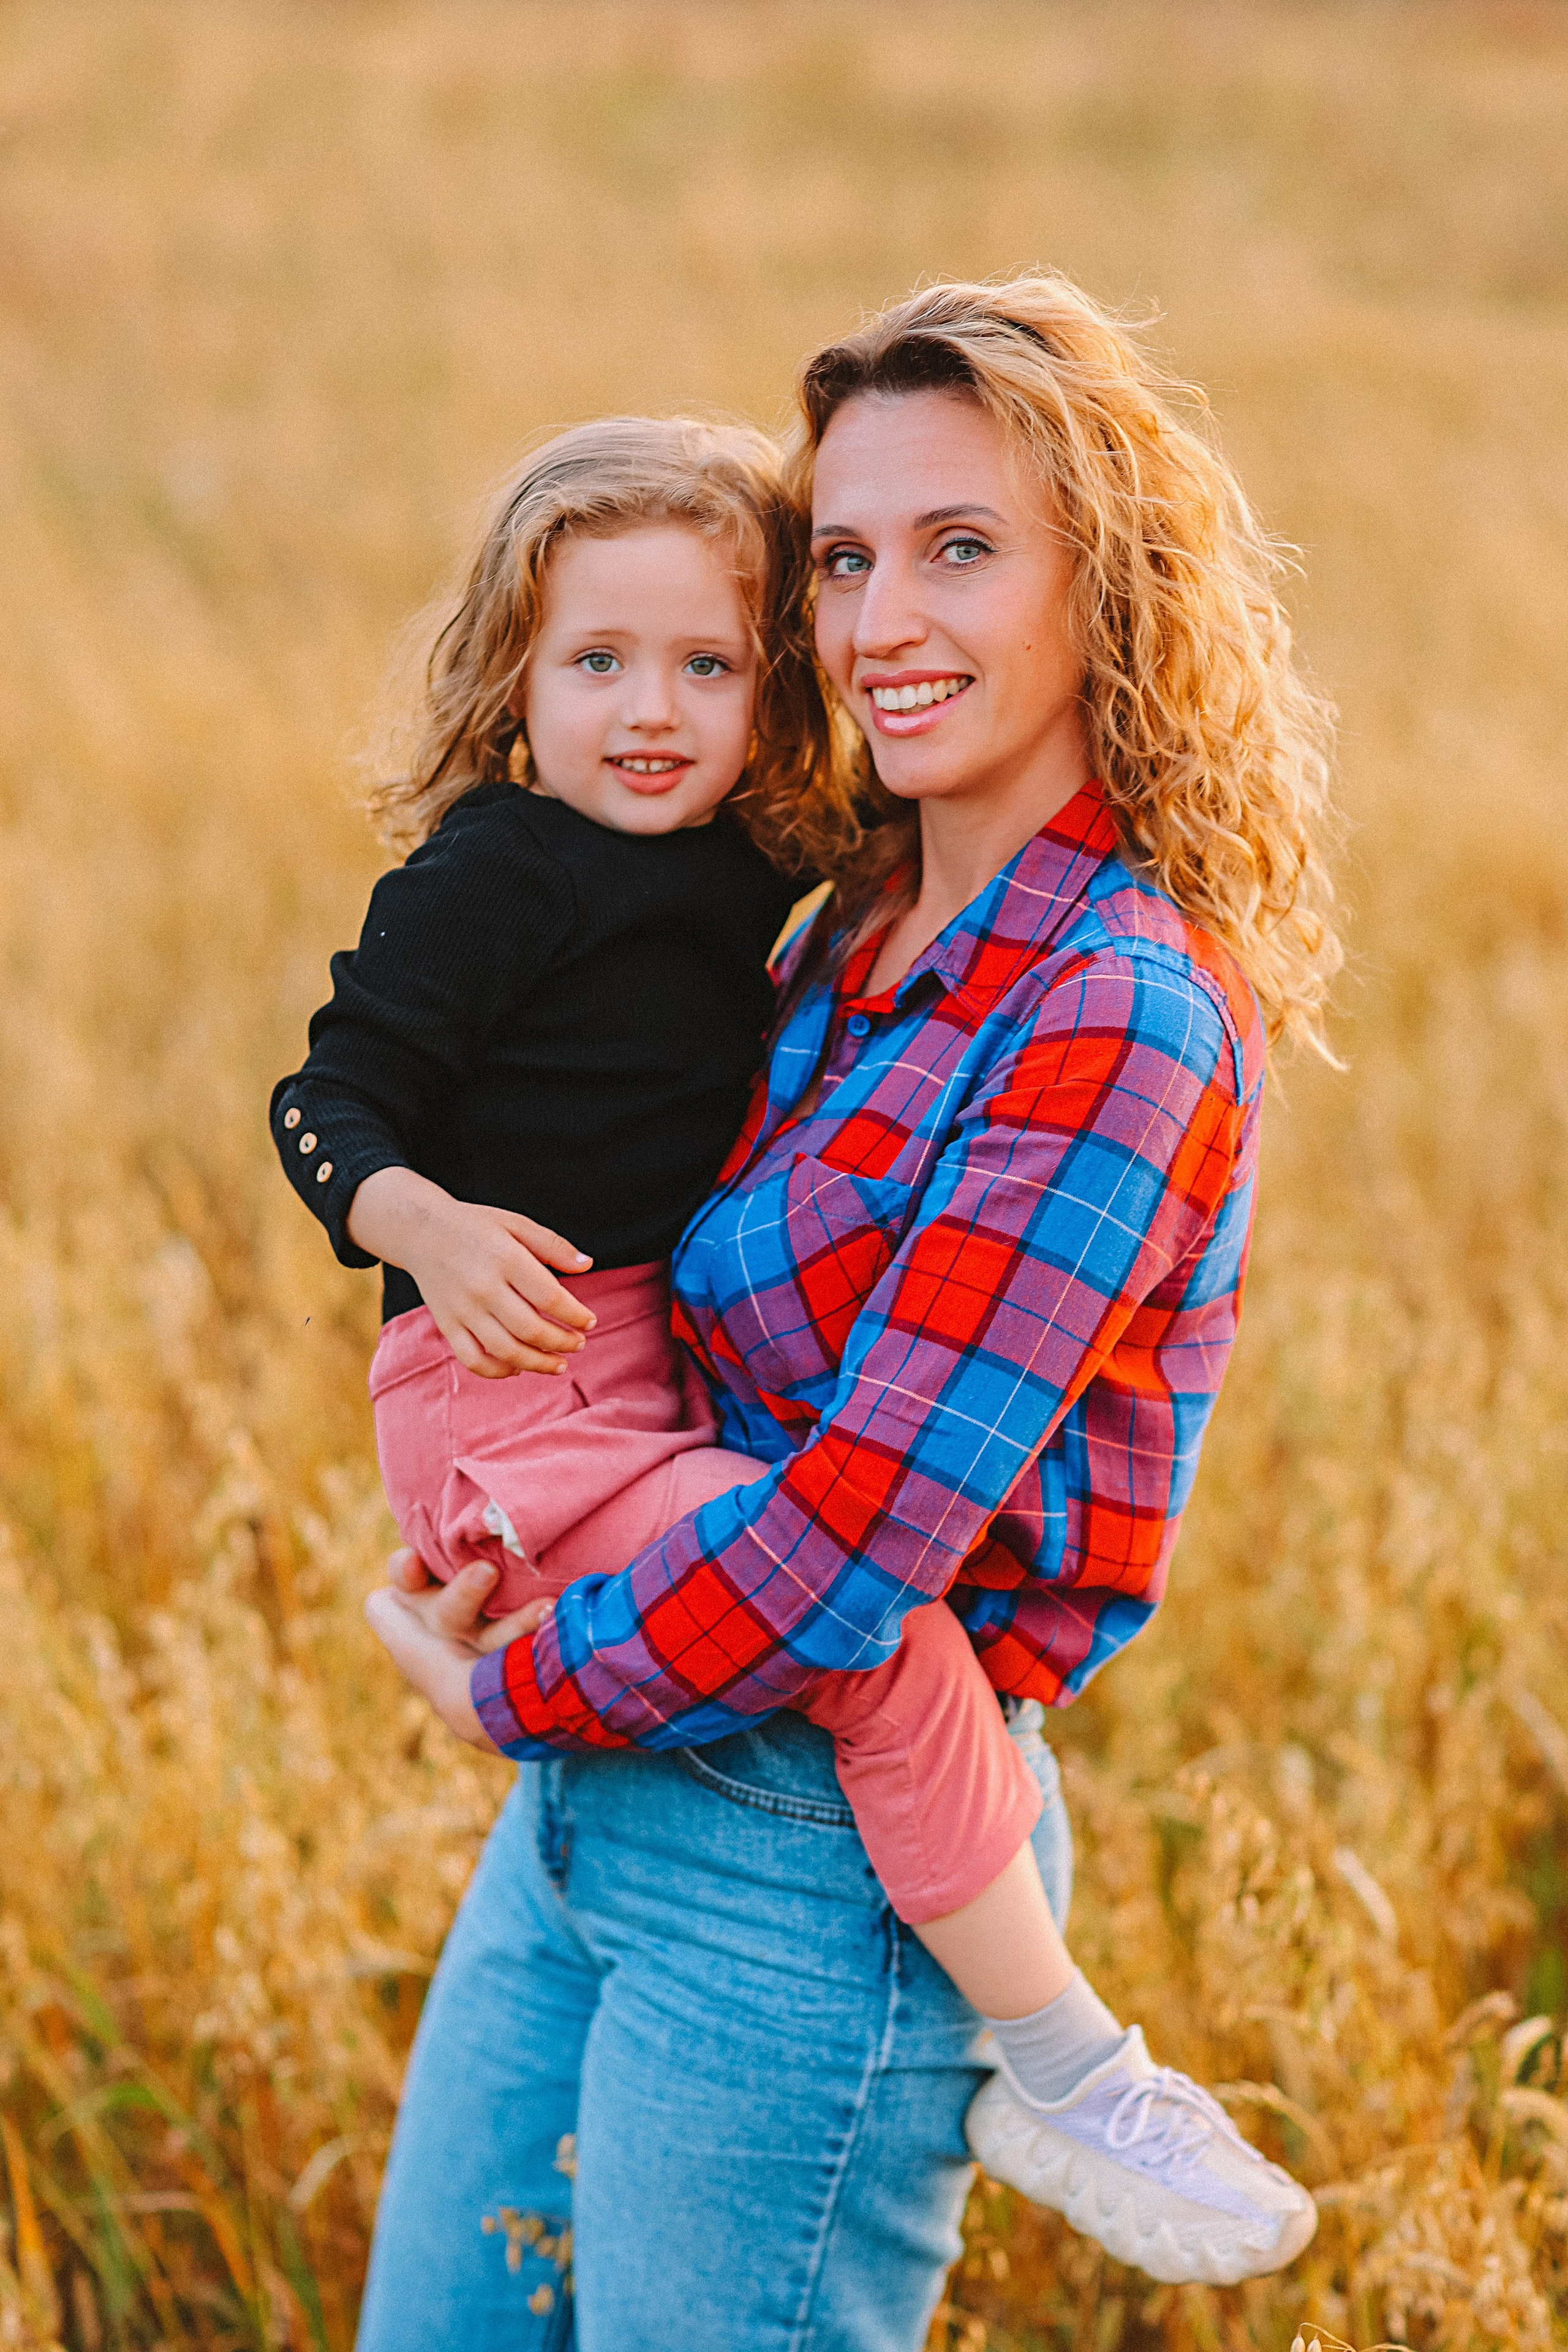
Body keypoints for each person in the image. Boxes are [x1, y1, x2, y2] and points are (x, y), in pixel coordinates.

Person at [341, 274, 1339, 2350]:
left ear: (1113, 589)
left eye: (962, 550)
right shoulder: (846, 920)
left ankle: (1078, 2076)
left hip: (819, 1879)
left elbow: (859, 1544)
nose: (884, 620)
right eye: (847, 559)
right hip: (600, 1801)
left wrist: (506, 1687)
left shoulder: (1111, 1011)